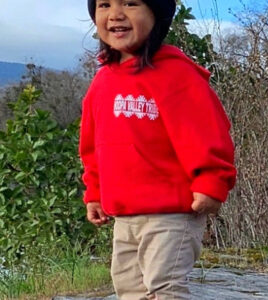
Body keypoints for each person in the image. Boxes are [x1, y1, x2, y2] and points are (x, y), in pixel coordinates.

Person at [79, 0, 236, 299]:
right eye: (104, 5)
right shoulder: (102, 82)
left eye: (130, 3)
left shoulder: (177, 75)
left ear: (157, 15)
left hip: (172, 212)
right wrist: (94, 193)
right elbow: (93, 146)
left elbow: (207, 132)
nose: (115, 14)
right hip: (124, 215)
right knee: (128, 288)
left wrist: (212, 181)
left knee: (165, 287)